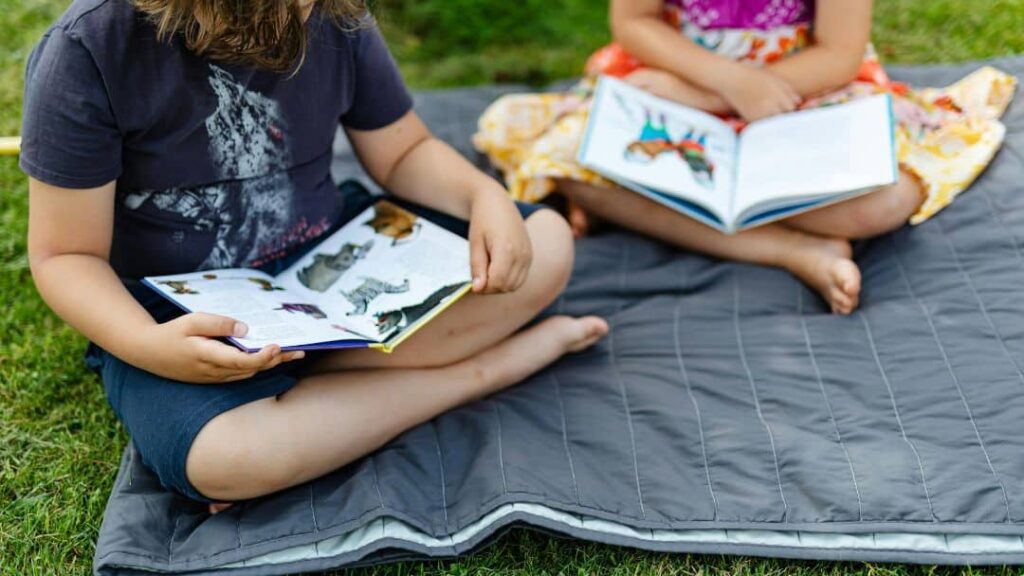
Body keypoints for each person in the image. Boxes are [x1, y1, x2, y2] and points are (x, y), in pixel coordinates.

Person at [22, 0, 608, 513]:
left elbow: (403, 154)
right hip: (178, 319)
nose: (302, 15)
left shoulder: (334, 11)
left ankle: (319, 399)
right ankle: (484, 371)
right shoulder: (89, 50)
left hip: (333, 262)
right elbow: (67, 256)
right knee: (226, 458)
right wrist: (147, 347)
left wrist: (485, 196)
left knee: (547, 242)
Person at [475, 0, 1016, 315]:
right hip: (680, 82)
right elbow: (634, 23)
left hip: (800, 90)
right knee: (571, 159)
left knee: (880, 203)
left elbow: (840, 53)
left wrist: (744, 93)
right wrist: (720, 86)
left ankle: (652, 205)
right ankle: (787, 248)